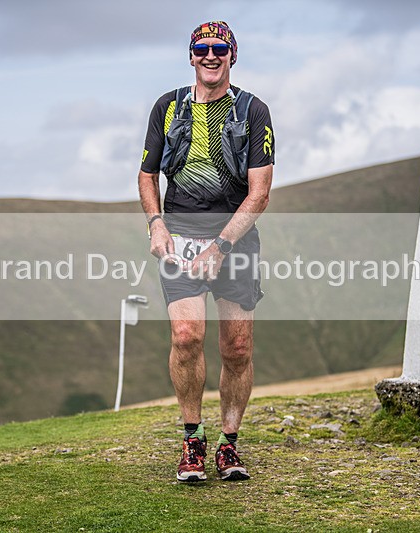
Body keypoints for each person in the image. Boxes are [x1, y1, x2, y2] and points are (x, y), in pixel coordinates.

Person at [137, 20, 275, 482]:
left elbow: (259, 194)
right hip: (179, 235)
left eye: (220, 48)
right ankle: (192, 440)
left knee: (236, 347)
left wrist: (221, 245)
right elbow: (147, 173)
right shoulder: (168, 106)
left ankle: (229, 444)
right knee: (186, 336)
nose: (210, 56)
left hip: (233, 237)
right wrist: (156, 224)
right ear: (190, 55)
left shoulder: (253, 111)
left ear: (233, 55)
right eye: (202, 49)